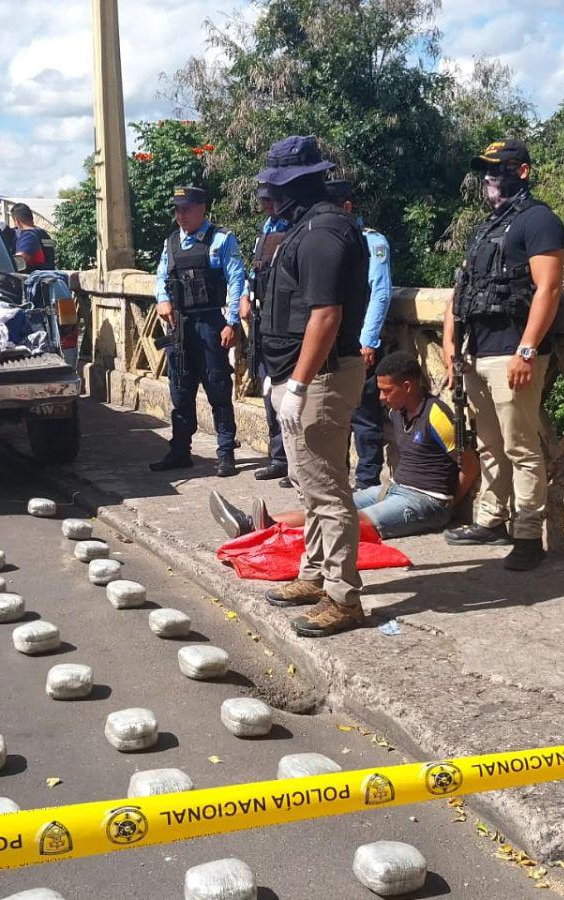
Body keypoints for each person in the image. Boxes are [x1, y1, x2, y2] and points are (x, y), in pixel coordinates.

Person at [257, 135, 369, 638]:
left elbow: (326, 315)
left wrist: (299, 383)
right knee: (308, 485)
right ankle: (315, 573)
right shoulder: (305, 227)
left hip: (322, 376)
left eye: (278, 186)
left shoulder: (323, 231)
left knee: (327, 490)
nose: (272, 196)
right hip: (302, 373)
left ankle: (343, 598)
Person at [441, 138, 564, 572]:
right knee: (489, 444)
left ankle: (528, 534)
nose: (491, 178)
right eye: (487, 171)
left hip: (513, 351)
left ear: (523, 171)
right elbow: (463, 287)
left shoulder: (540, 221)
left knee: (521, 446)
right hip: (477, 352)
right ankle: (491, 518)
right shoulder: (487, 228)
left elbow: (549, 288)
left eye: (499, 169)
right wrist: (450, 342)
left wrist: (526, 351)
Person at [211, 351, 479, 542]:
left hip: (425, 501)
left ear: (407, 386)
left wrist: (448, 505)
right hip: (395, 489)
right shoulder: (397, 412)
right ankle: (253, 525)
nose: (382, 397)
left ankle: (272, 534)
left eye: (387, 391)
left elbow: (469, 464)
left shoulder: (436, 414)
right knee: (330, 506)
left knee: (348, 521)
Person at [150, 185, 247, 478]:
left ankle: (226, 452)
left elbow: (236, 280)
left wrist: (231, 322)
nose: (181, 215)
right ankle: (180, 451)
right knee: (180, 391)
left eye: (186, 209)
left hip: (209, 323)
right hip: (179, 326)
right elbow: (161, 277)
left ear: (202, 208)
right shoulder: (171, 243)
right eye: (177, 210)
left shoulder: (221, 239)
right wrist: (162, 299)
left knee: (218, 388)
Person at [325, 179, 393, 489]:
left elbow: (380, 293)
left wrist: (368, 341)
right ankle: (337, 480)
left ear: (347, 207)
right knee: (333, 418)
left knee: (364, 417)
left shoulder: (371, 242)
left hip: (358, 342)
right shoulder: (326, 239)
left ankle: (367, 484)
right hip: (331, 343)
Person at [239, 183, 291, 485]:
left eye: (270, 200)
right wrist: (245, 296)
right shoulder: (266, 229)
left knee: (288, 399)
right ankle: (278, 458)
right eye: (263, 200)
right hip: (263, 324)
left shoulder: (294, 228)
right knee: (270, 395)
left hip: (285, 326)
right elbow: (255, 271)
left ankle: (292, 463)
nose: (266, 205)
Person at [10, 203, 55, 271]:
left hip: (33, 275)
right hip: (47, 274)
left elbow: (21, 259)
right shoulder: (43, 234)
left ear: (16, 220)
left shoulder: (28, 235)